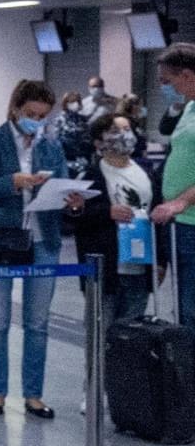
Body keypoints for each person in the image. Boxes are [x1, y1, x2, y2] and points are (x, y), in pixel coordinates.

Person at [0, 79, 75, 419]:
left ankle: (34, 395)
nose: (36, 122)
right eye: (31, 114)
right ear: (15, 109)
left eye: (43, 116)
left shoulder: (51, 146)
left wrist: (71, 199)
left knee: (38, 323)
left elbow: (63, 183)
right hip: (0, 238)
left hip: (43, 240)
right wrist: (11, 182)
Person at [76, 114, 156, 323]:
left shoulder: (147, 172)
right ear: (98, 142)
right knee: (101, 335)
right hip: (106, 270)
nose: (124, 135)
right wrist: (106, 212)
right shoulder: (90, 175)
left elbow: (157, 215)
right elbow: (76, 217)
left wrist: (161, 260)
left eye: (127, 129)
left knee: (133, 339)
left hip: (140, 266)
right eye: (115, 131)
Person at [152, 42, 195, 324]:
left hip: (190, 219)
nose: (166, 88)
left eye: (168, 81)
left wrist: (182, 200)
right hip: (179, 223)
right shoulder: (189, 108)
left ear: (187, 75)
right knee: (182, 308)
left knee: (191, 310)